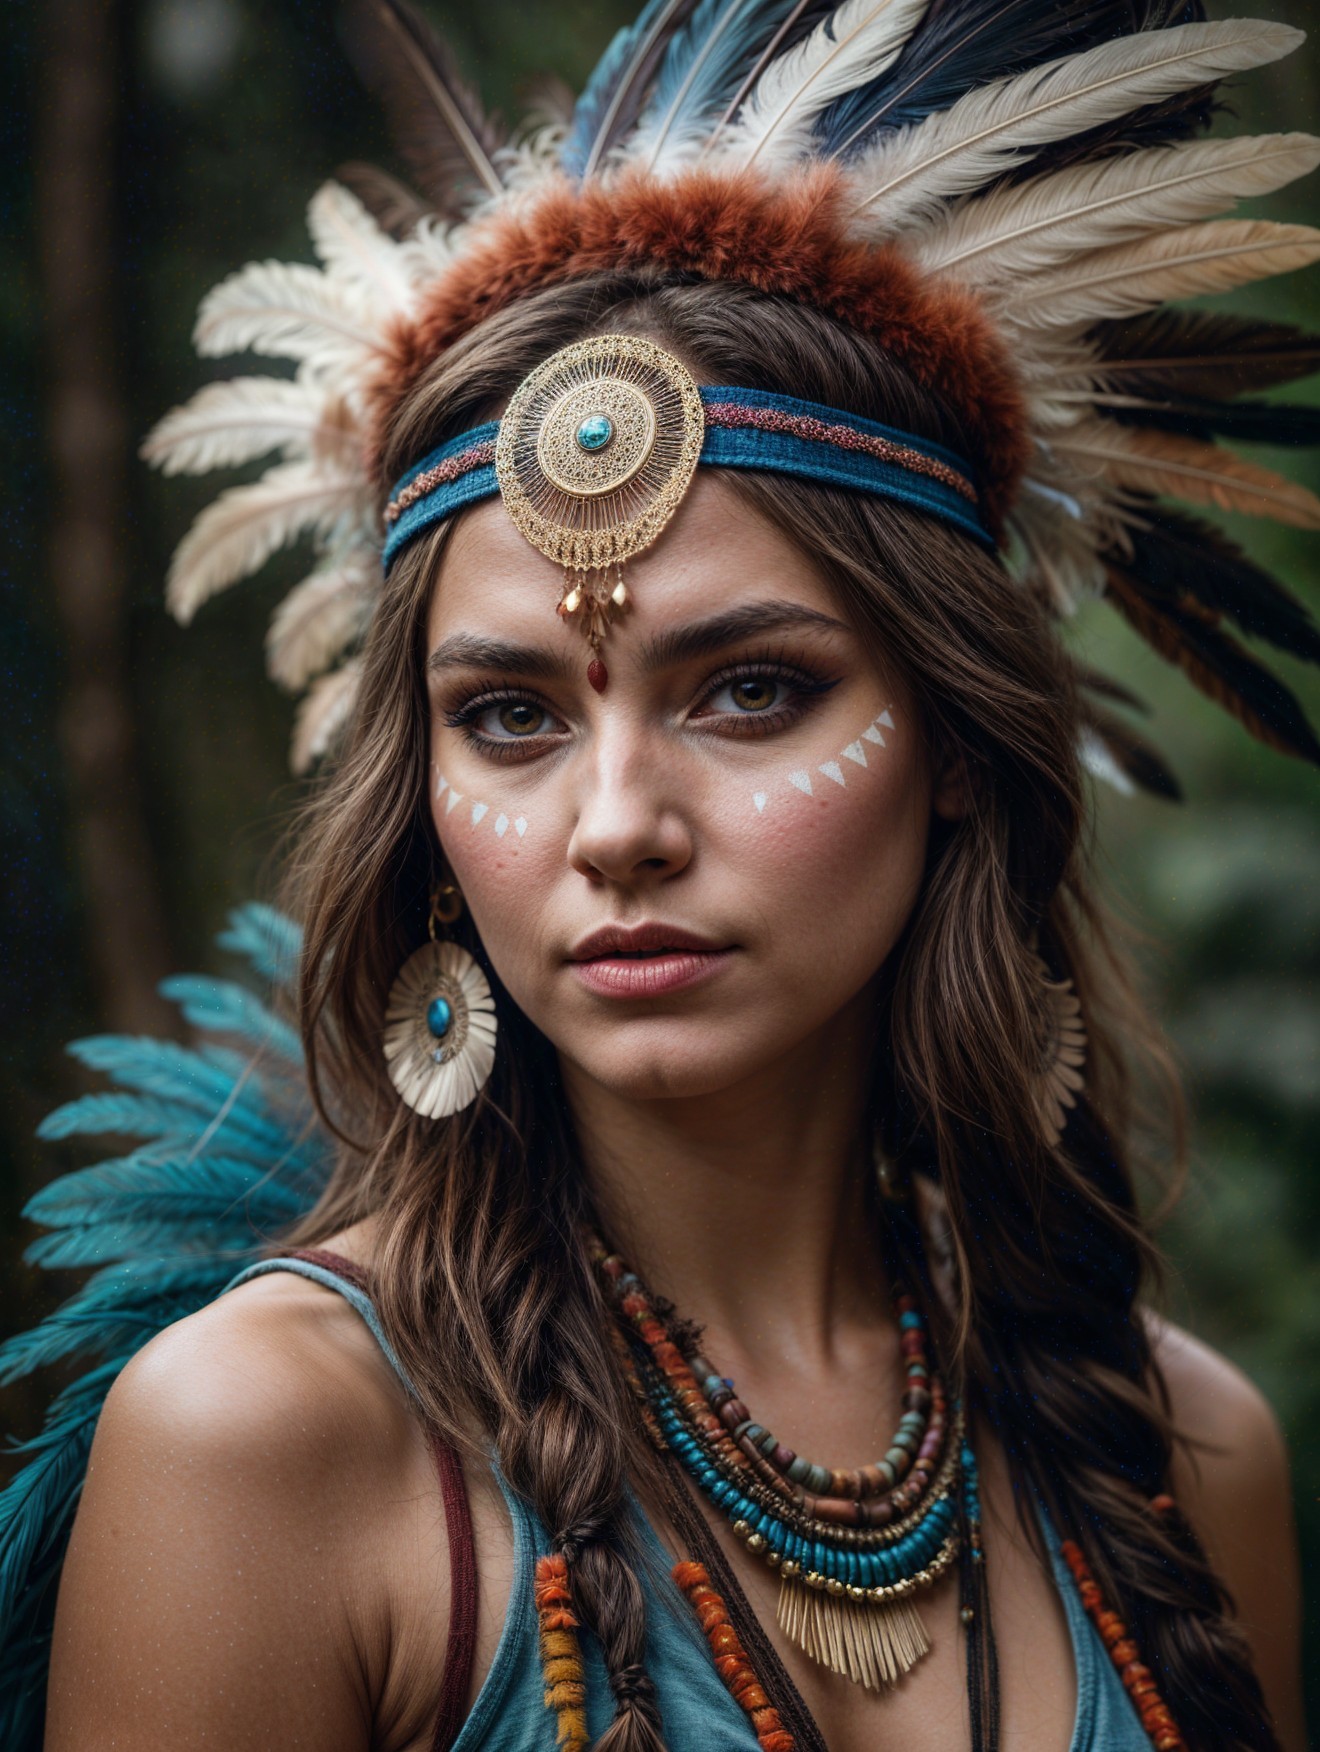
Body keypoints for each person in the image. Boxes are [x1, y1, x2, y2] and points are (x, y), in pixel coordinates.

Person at [3, 2, 1315, 1748]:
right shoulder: (264, 1445)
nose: (617, 823)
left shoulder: (1185, 1456)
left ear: (958, 755)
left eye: (753, 690)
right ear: (427, 796)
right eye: (512, 715)